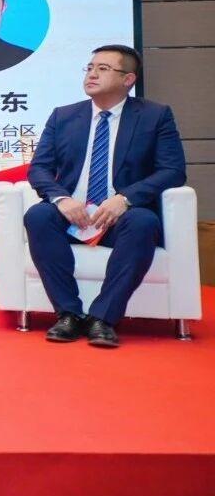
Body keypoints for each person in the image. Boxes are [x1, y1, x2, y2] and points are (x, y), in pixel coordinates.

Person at [23, 45, 186, 348]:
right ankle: (68, 314)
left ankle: (103, 318)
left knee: (143, 222)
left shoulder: (155, 116)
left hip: (121, 217)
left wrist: (124, 199)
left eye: (103, 68)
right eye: (89, 68)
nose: (92, 74)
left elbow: (172, 171)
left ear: (128, 79)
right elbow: (40, 169)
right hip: (73, 215)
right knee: (39, 215)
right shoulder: (64, 116)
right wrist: (62, 199)